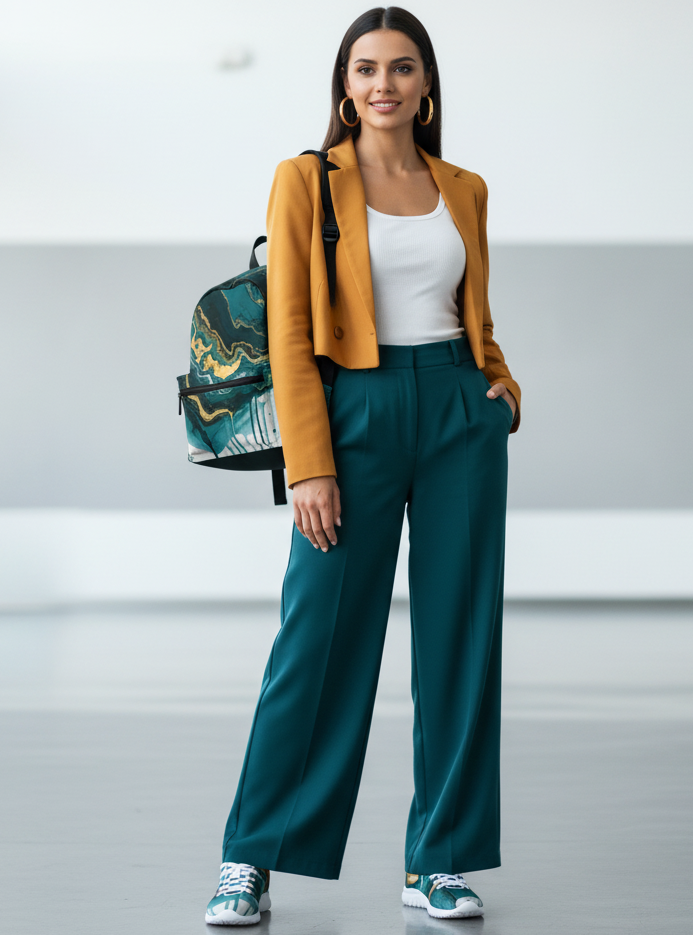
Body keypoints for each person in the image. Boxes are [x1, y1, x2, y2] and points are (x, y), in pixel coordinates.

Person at [205, 6, 521, 925]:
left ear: (426, 86)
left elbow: (473, 310)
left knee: (461, 639)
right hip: (353, 413)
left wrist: (499, 390)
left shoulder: (464, 187)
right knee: (318, 638)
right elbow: (289, 330)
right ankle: (250, 855)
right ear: (345, 87)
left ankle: (440, 859)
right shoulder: (305, 180)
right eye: (366, 68)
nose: (384, 83)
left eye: (402, 67)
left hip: (458, 410)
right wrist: (309, 463)